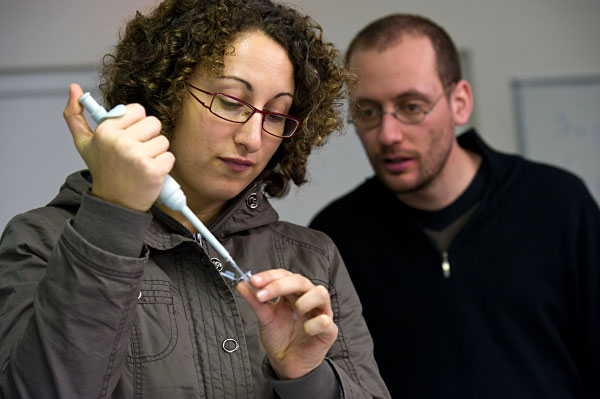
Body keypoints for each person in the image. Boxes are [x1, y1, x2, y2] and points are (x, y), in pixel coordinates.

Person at [0, 1, 391, 398]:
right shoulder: (40, 241)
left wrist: (307, 378)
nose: (253, 139)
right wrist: (113, 214)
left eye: (275, 115)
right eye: (232, 102)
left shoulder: (312, 259)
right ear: (165, 93)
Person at [310, 13, 600, 398]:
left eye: (411, 106)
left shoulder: (558, 203)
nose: (388, 134)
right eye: (367, 111)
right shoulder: (336, 236)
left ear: (459, 103)